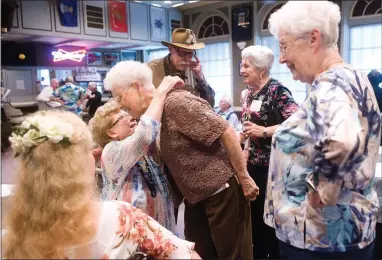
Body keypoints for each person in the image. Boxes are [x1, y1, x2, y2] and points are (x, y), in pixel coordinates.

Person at [105, 60, 259, 260]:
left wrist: (244, 178)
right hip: (195, 197)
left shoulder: (175, 102)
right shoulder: (155, 111)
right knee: (200, 253)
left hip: (221, 191)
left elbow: (226, 130)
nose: (119, 104)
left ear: (135, 87)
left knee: (233, 255)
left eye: (119, 95)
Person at [264, 1, 381, 259]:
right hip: (339, 236)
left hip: (319, 239)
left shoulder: (330, 85)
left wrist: (323, 189)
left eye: (284, 46)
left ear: (313, 38)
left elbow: (344, 141)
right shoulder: (351, 76)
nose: (281, 57)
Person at [3, 110, 200, 259]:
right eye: (87, 150)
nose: (128, 118)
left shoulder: (13, 238)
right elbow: (186, 255)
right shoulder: (121, 217)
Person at [89, 74, 183, 232]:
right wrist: (160, 93)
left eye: (130, 115)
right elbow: (145, 134)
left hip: (156, 225)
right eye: (123, 118)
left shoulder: (141, 150)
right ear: (111, 132)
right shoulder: (111, 151)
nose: (132, 119)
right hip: (129, 229)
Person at [239, 45, 299, 259]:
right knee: (254, 217)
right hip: (252, 165)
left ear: (262, 69)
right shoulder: (247, 93)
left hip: (274, 168)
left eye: (247, 66)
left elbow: (297, 123)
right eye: (241, 64)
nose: (241, 70)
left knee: (271, 220)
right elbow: (247, 126)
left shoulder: (277, 91)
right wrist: (245, 146)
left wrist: (264, 131)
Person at [148, 28, 215, 108]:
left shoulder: (194, 71)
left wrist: (200, 79)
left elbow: (210, 104)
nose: (187, 60)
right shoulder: (150, 70)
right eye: (182, 53)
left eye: (190, 54)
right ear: (170, 49)